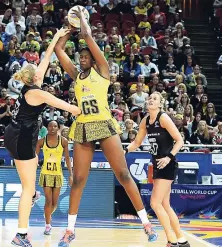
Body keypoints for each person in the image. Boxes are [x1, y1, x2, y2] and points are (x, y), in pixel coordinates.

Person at [54, 7, 157, 247]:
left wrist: (82, 22)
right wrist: (68, 31)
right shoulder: (76, 75)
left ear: (93, 57)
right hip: (82, 127)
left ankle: (146, 223)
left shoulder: (102, 72)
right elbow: (59, 49)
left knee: (123, 174)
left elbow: (89, 38)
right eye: (80, 57)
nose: (82, 59)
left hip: (104, 123)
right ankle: (70, 231)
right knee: (78, 180)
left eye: (85, 56)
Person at [4, 28, 81, 247]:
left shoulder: (32, 83)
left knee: (30, 180)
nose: (42, 70)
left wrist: (57, 35)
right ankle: (20, 234)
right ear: (35, 76)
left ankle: (33, 194)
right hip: (21, 138)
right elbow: (67, 107)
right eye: (38, 70)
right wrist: (86, 106)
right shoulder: (38, 93)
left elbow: (47, 55)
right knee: (26, 189)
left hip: (14, 133)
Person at [125, 92, 190, 247]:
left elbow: (180, 140)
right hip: (157, 164)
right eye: (149, 98)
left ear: (160, 104)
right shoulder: (146, 121)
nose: (150, 100)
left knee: (155, 203)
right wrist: (124, 151)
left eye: (154, 99)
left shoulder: (163, 118)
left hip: (167, 164)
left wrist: (169, 157)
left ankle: (171, 241)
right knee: (165, 205)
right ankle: (182, 240)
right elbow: (136, 143)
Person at [36, 120, 73, 236]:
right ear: (47, 128)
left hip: (58, 174)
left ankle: (47, 215)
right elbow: (35, 157)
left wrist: (71, 174)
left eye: (55, 126)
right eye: (50, 126)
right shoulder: (41, 141)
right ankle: (48, 225)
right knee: (48, 200)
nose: (52, 128)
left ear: (58, 128)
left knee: (55, 203)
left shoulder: (64, 141)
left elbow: (67, 158)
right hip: (46, 173)